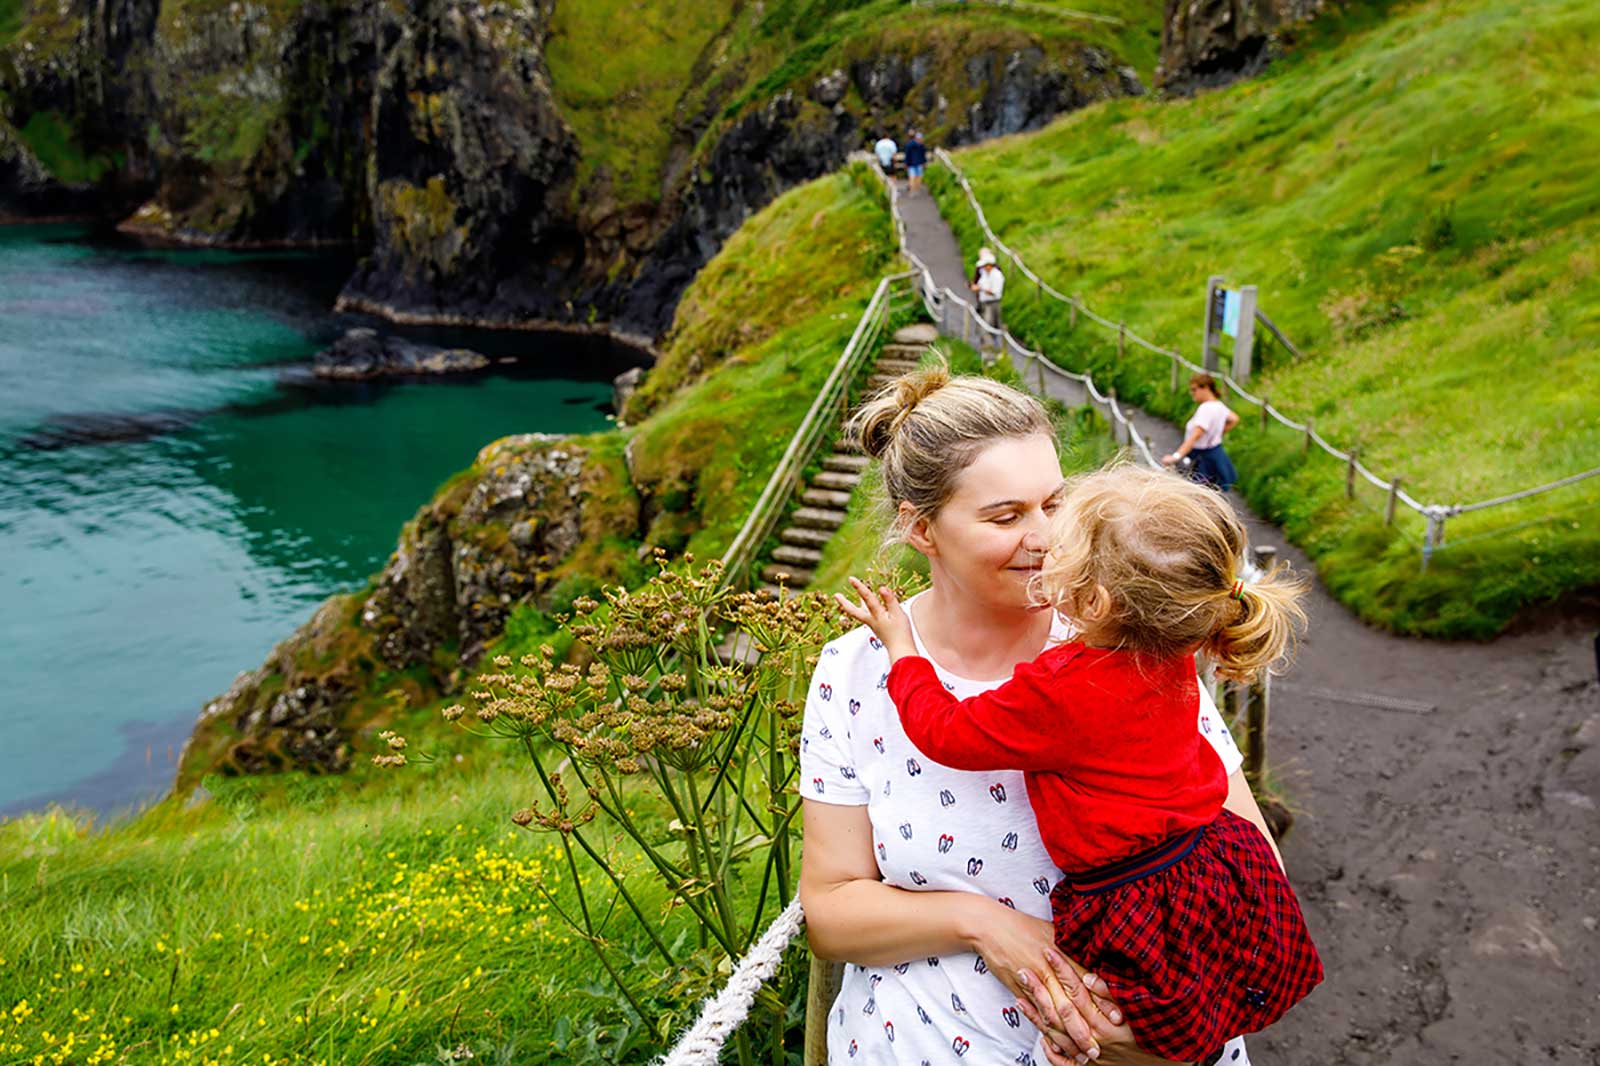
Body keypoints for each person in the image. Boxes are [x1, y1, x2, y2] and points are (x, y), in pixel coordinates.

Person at [799, 366, 1274, 1066]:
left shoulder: (1122, 634)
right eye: (1006, 515)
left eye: (1055, 503)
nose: (1047, 537)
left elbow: (1251, 856)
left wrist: (1148, 1039)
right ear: (920, 527)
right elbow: (831, 911)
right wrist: (983, 924)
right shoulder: (853, 673)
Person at [1162, 373, 1239, 491]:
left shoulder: (1206, 409)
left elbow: (1196, 435)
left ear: (1206, 388)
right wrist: (1217, 434)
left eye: (1194, 389)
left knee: (1195, 495)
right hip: (1216, 453)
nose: (1192, 393)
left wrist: (1176, 456)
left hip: (1201, 458)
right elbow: (1234, 419)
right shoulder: (1219, 406)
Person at [972, 247, 1005, 345]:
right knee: (985, 326)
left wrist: (980, 289)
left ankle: (991, 350)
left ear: (989, 265)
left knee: (989, 327)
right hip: (984, 303)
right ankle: (987, 348)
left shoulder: (997, 275)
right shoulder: (985, 274)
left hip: (992, 304)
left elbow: (995, 292)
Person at [904, 129, 927, 194]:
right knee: (919, 176)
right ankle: (917, 189)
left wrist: (906, 163)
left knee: (912, 176)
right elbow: (923, 155)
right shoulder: (921, 145)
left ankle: (912, 190)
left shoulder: (909, 144)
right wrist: (924, 162)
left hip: (911, 162)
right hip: (919, 162)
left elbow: (907, 154)